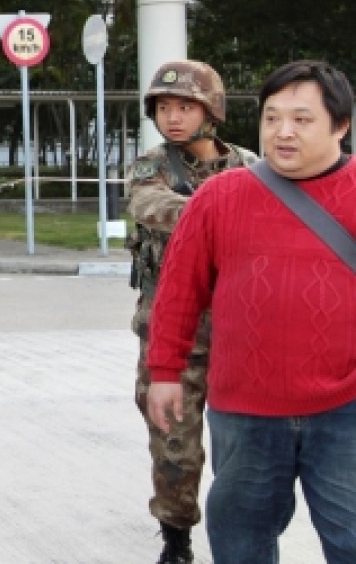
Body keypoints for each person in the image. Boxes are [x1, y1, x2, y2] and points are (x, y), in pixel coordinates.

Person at [146, 60, 356, 564]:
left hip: (346, 409)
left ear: (341, 126)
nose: (283, 133)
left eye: (302, 120)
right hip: (245, 412)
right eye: (271, 117)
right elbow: (178, 291)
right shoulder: (219, 197)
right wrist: (165, 371)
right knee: (240, 541)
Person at [126, 60, 257, 564]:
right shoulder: (151, 165)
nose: (173, 117)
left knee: (245, 442)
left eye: (185, 107)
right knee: (174, 441)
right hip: (172, 329)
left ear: (211, 110)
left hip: (241, 327)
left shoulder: (249, 165)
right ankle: (176, 535)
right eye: (163, 107)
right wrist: (220, 209)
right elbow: (151, 205)